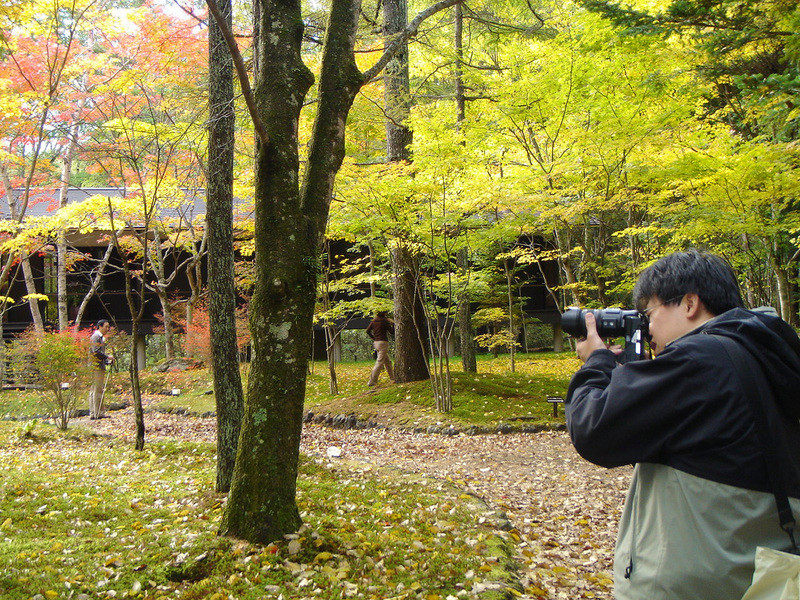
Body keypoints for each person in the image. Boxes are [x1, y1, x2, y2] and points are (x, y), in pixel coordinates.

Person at [565, 249, 800, 600]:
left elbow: (593, 428)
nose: (647, 326)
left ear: (689, 304)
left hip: (697, 580)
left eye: (649, 312)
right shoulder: (762, 352)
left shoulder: (700, 361)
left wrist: (596, 362)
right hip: (750, 565)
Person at [87, 319, 113, 419]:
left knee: (97, 390)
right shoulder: (96, 337)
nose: (108, 329)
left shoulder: (100, 338)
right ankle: (96, 413)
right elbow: (96, 352)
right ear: (100, 326)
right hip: (95, 367)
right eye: (106, 326)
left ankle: (97, 412)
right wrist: (107, 357)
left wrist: (106, 361)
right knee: (96, 390)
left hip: (98, 365)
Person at [366, 311, 394, 386]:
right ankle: (372, 381)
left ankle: (393, 378)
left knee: (388, 361)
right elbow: (392, 332)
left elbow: (367, 331)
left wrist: (374, 338)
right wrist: (393, 323)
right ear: (384, 313)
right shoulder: (385, 321)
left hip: (376, 343)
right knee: (379, 362)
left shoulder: (374, 321)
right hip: (383, 343)